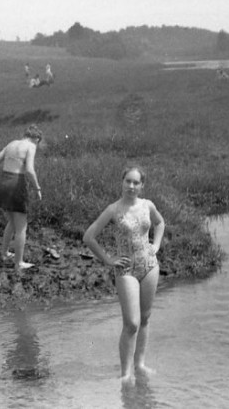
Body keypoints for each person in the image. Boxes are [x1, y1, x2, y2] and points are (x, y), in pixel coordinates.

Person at [83, 165, 165, 386]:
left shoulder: (148, 205)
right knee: (131, 323)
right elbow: (89, 237)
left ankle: (140, 365)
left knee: (145, 318)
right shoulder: (113, 209)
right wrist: (108, 259)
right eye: (128, 181)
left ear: (142, 185)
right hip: (125, 269)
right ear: (122, 182)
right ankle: (125, 373)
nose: (131, 186)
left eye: (136, 182)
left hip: (150, 266)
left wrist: (156, 246)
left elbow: (159, 223)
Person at [0, 124, 43, 270]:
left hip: (2, 183)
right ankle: (18, 263)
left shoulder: (11, 144)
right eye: (38, 142)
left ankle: (4, 253)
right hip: (15, 184)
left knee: (12, 222)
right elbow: (30, 171)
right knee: (21, 227)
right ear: (36, 138)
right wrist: (37, 188)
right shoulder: (31, 146)